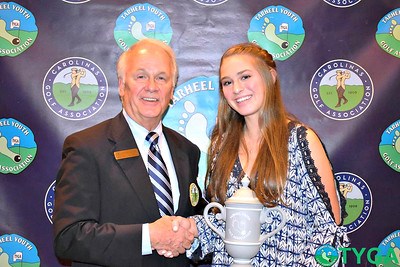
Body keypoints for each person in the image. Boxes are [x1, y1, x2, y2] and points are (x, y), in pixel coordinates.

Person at [185, 43, 350, 266]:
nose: (236, 89)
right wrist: (184, 231)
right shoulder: (222, 145)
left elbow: (329, 233)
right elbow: (222, 226)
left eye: (245, 77)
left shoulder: (300, 141)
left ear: (270, 76)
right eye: (227, 82)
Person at [53, 38, 205, 267]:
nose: (152, 86)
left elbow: (194, 218)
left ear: (172, 90)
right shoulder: (86, 146)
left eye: (161, 78)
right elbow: (69, 237)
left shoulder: (187, 150)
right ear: (122, 86)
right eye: (141, 76)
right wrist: (149, 237)